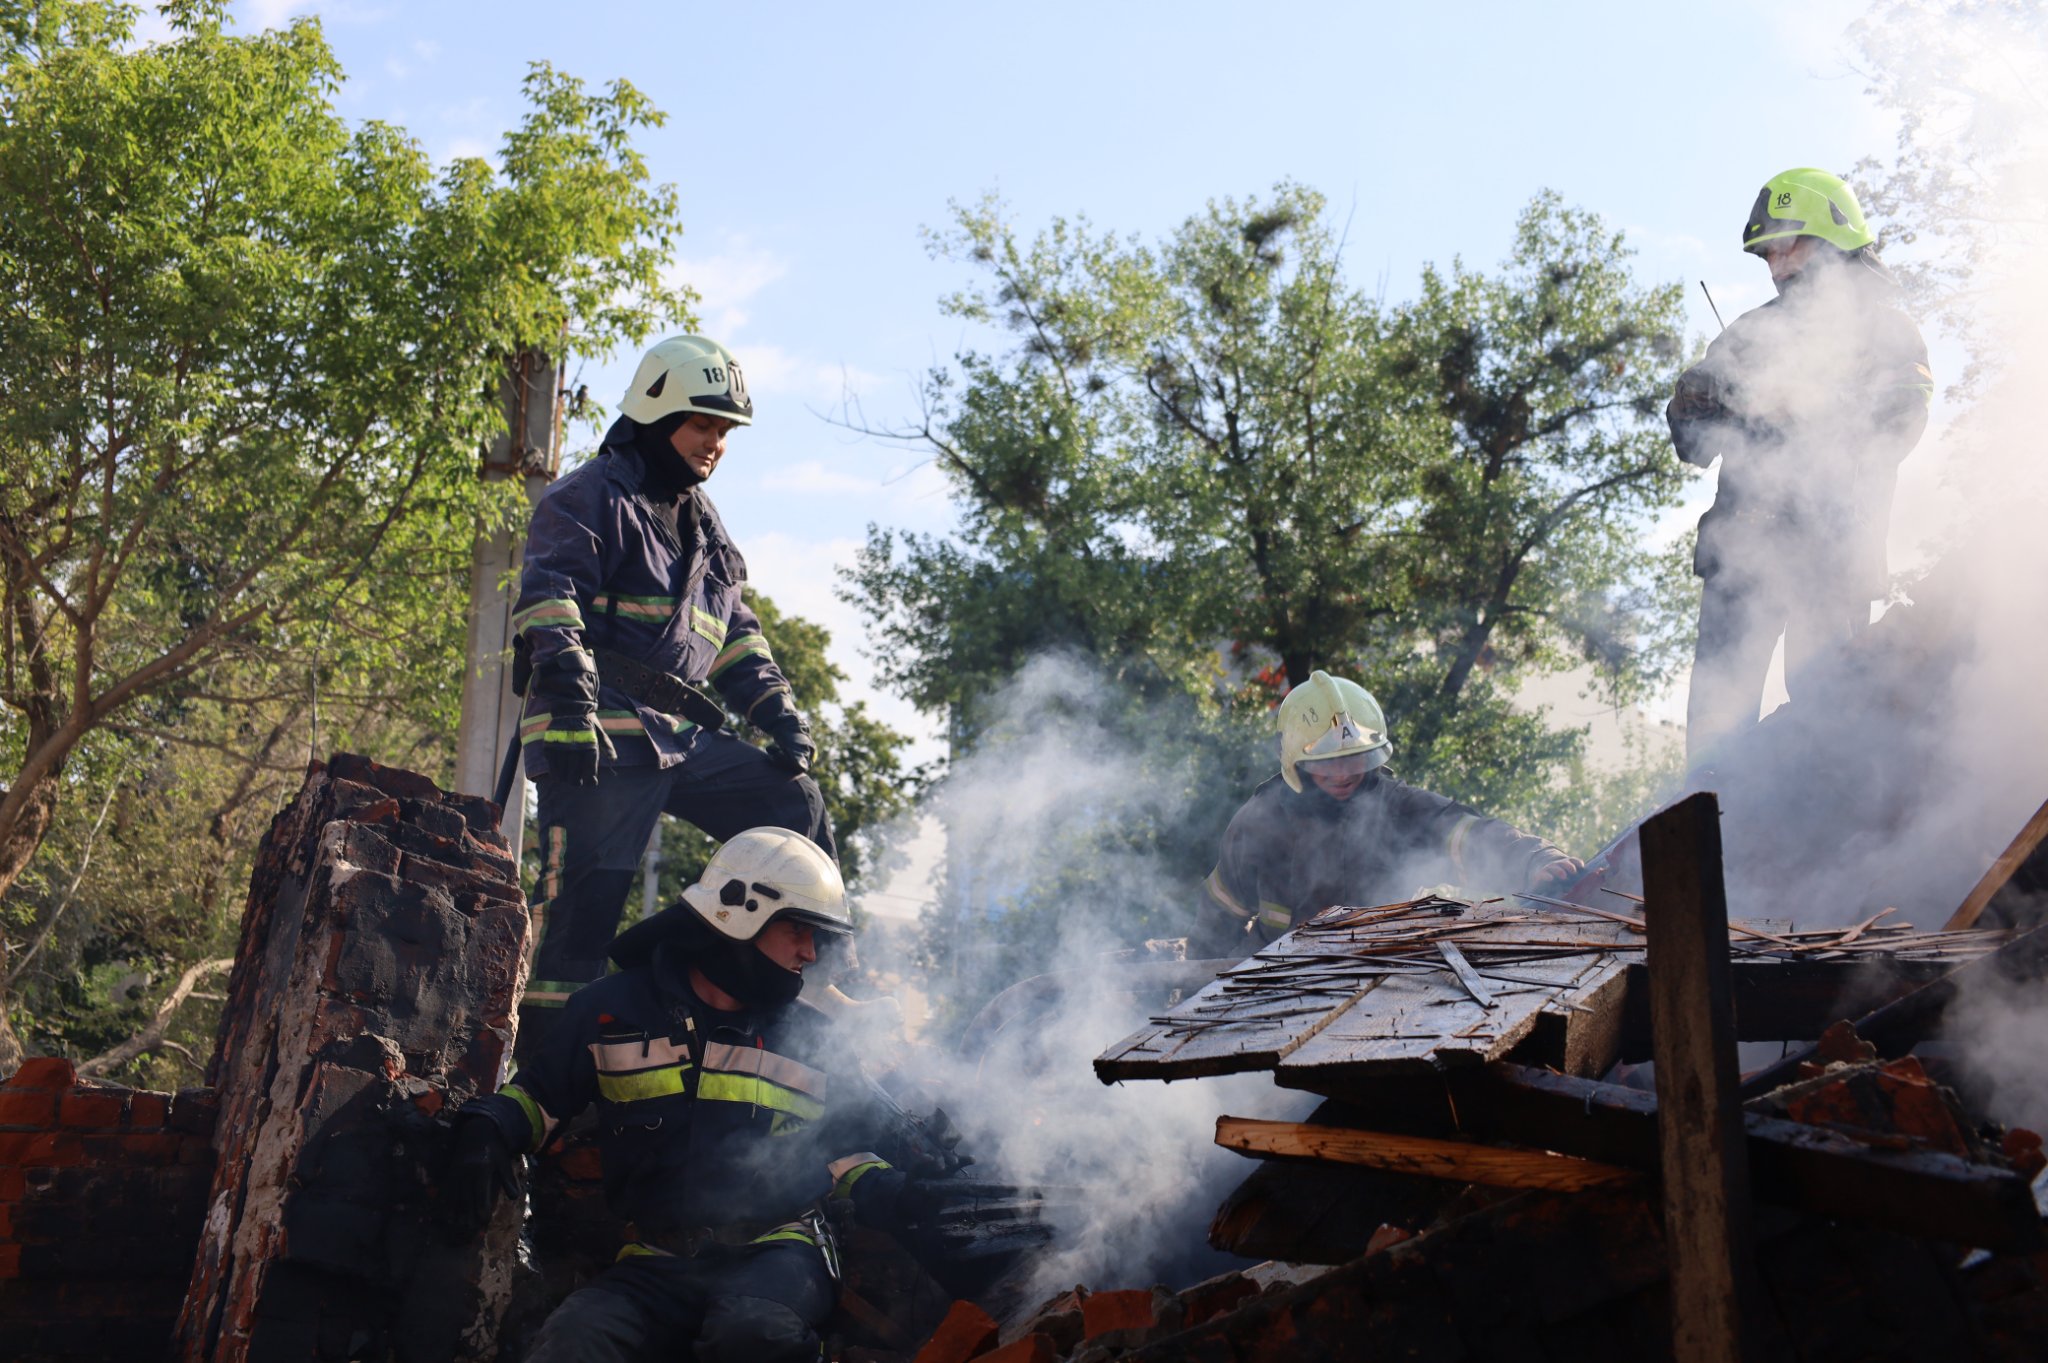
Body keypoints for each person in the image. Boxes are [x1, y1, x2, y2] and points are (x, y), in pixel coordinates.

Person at [447, 828, 928, 1363]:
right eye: (797, 930)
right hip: (654, 1261)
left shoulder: (811, 1037)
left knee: (752, 1334)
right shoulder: (611, 1010)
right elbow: (538, 1100)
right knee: (573, 1341)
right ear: (741, 915)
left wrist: (904, 1192)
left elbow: (851, 1149)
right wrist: (487, 1127)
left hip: (776, 1252)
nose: (810, 953)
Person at [512, 335, 834, 1016]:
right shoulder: (588, 498)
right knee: (582, 915)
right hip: (597, 735)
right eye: (701, 424)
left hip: (679, 738)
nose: (714, 442)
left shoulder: (707, 527)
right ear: (656, 417)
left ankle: (796, 986)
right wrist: (570, 710)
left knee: (791, 802)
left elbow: (734, 632)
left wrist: (776, 710)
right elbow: (549, 600)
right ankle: (546, 1084)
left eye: (724, 430)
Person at [1668, 169, 1932, 771]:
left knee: (1828, 727)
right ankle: (1711, 857)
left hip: (1831, 554)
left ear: (1836, 240)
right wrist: (1692, 404)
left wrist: (1803, 413)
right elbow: (1692, 445)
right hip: (1740, 560)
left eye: (1793, 245)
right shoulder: (1750, 334)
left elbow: (1900, 420)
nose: (1779, 265)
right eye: (1769, 254)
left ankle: (1837, 855)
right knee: (1713, 742)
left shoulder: (1888, 330)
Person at [1190, 671, 1582, 959]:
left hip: (1381, 979)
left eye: (1355, 758)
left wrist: (1535, 860)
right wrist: (1192, 1001)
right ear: (1298, 760)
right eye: (1329, 763)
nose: (1344, 775)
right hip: (1274, 986)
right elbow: (1218, 917)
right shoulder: (1259, 823)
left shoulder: (1400, 809)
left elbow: (1471, 836)